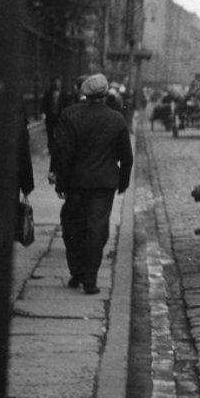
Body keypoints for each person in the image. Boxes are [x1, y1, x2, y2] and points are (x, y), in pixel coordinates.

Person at [53, 73, 133, 295]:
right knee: (97, 228)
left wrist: (61, 183)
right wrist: (123, 182)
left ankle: (77, 271)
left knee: (73, 227)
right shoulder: (116, 119)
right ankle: (90, 280)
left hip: (76, 183)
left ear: (84, 93)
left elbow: (64, 153)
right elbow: (126, 156)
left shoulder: (70, 115)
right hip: (104, 184)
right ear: (106, 94)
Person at [39, 76, 69, 154]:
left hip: (60, 116)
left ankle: (59, 148)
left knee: (60, 133)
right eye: (56, 82)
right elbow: (44, 103)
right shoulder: (48, 93)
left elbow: (67, 105)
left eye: (59, 82)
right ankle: (50, 148)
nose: (57, 84)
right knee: (50, 133)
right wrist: (43, 113)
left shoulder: (64, 94)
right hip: (50, 116)